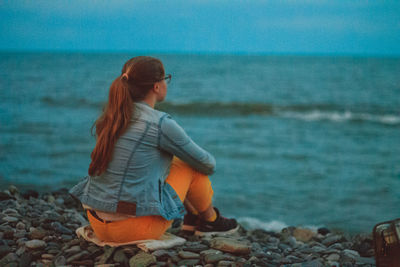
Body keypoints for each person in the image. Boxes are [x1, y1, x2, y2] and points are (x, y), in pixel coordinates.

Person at [69, 56, 238, 243]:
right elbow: (207, 165)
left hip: (98, 224)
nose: (167, 84)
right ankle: (210, 220)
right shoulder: (159, 123)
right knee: (190, 165)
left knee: (164, 163)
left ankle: (192, 219)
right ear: (156, 86)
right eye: (166, 79)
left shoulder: (112, 117)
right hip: (132, 230)